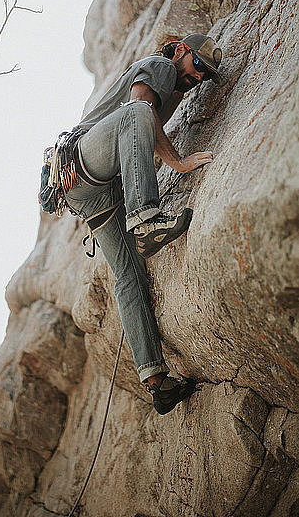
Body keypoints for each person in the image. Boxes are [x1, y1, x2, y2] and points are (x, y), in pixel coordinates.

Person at [64, 33, 223, 415]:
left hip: (92, 191)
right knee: (138, 114)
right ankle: (147, 219)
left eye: (207, 75)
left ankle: (156, 381)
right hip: (85, 159)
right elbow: (137, 111)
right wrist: (179, 163)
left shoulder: (173, 87)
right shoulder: (162, 66)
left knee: (129, 275)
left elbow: (139, 130)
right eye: (198, 65)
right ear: (182, 50)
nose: (199, 77)